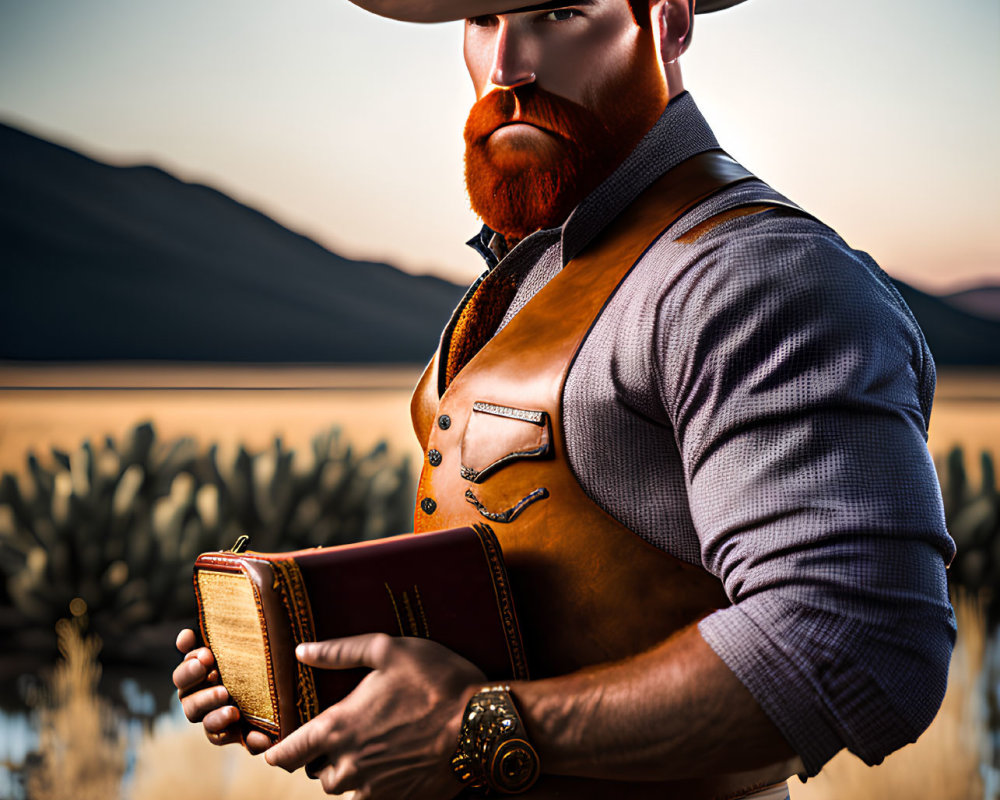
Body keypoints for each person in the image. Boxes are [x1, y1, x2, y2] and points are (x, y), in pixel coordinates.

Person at [173, 1, 957, 798]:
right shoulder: (550, 264)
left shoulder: (753, 275)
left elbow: (860, 639)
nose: (508, 65)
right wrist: (309, 666)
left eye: (557, 11)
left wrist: (472, 730)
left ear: (670, 21)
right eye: (482, 17)